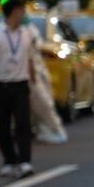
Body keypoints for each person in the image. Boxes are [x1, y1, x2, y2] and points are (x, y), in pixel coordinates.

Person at [0, 0, 38, 178]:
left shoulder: (26, 33)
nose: (24, 15)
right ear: (14, 11)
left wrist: (33, 78)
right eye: (21, 11)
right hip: (0, 85)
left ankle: (25, 161)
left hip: (20, 84)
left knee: (23, 124)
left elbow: (29, 58)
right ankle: (9, 160)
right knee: (2, 125)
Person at [27, 15, 68, 145]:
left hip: (36, 74)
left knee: (44, 103)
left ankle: (53, 130)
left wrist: (33, 75)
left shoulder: (29, 30)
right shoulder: (7, 31)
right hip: (23, 75)